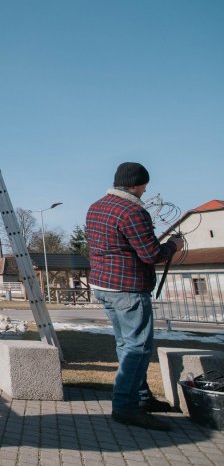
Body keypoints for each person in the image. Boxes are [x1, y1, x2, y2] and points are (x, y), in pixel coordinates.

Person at [86, 162, 182, 431]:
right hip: (128, 288)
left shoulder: (96, 207)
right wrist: (173, 245)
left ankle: (140, 397)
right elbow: (151, 254)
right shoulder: (132, 211)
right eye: (144, 186)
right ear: (137, 185)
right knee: (138, 347)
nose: (145, 190)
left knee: (125, 344)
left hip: (104, 285)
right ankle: (126, 406)